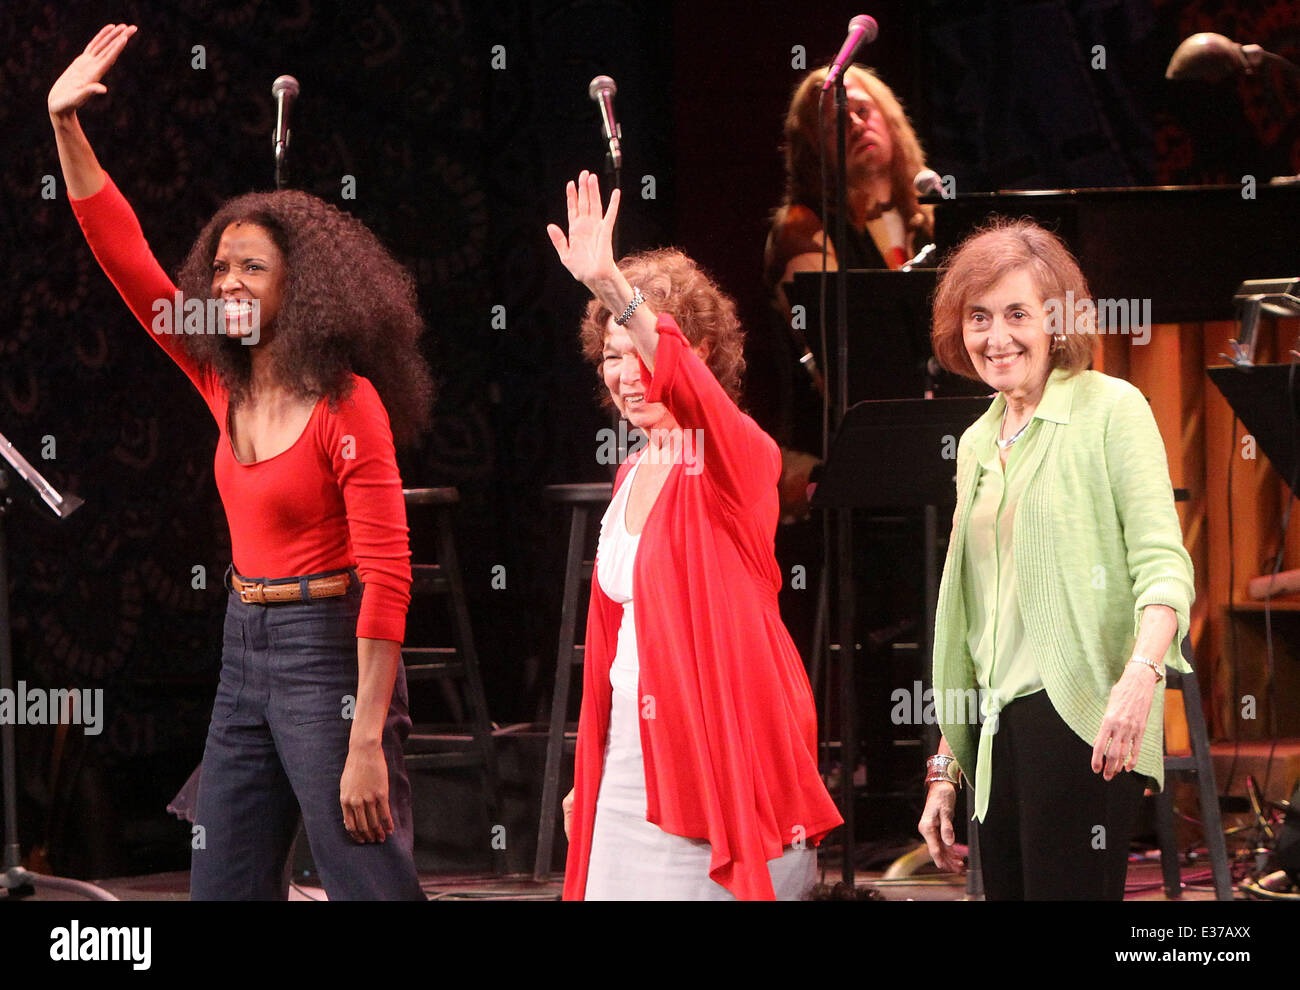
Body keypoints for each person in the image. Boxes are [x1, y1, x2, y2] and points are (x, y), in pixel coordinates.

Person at [49, 24, 433, 900]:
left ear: (300, 290)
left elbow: (388, 577)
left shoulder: (349, 403)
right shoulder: (217, 374)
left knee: (366, 878)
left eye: (249, 270)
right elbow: (127, 260)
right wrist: (66, 126)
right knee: (220, 882)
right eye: (219, 268)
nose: (224, 285)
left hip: (328, 654)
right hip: (245, 646)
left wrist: (366, 736)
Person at [547, 172, 842, 900]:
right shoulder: (628, 479)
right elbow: (619, 647)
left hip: (716, 761)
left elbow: (687, 389)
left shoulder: (738, 456)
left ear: (701, 353)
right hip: (627, 765)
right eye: (610, 356)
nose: (626, 374)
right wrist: (593, 773)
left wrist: (616, 287)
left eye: (637, 350)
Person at [916, 218, 1195, 900]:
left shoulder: (1111, 410)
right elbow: (981, 622)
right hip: (994, 728)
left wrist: (1138, 679)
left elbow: (1164, 567)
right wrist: (946, 765)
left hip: (1085, 716)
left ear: (1057, 321)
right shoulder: (978, 443)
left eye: (1017, 313)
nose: (996, 336)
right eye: (978, 317)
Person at [755, 65, 936, 518]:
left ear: (891, 120)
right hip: (835, 456)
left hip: (929, 444)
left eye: (862, 109)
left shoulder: (928, 217)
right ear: (813, 147)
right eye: (838, 119)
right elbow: (847, 369)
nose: (856, 123)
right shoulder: (803, 230)